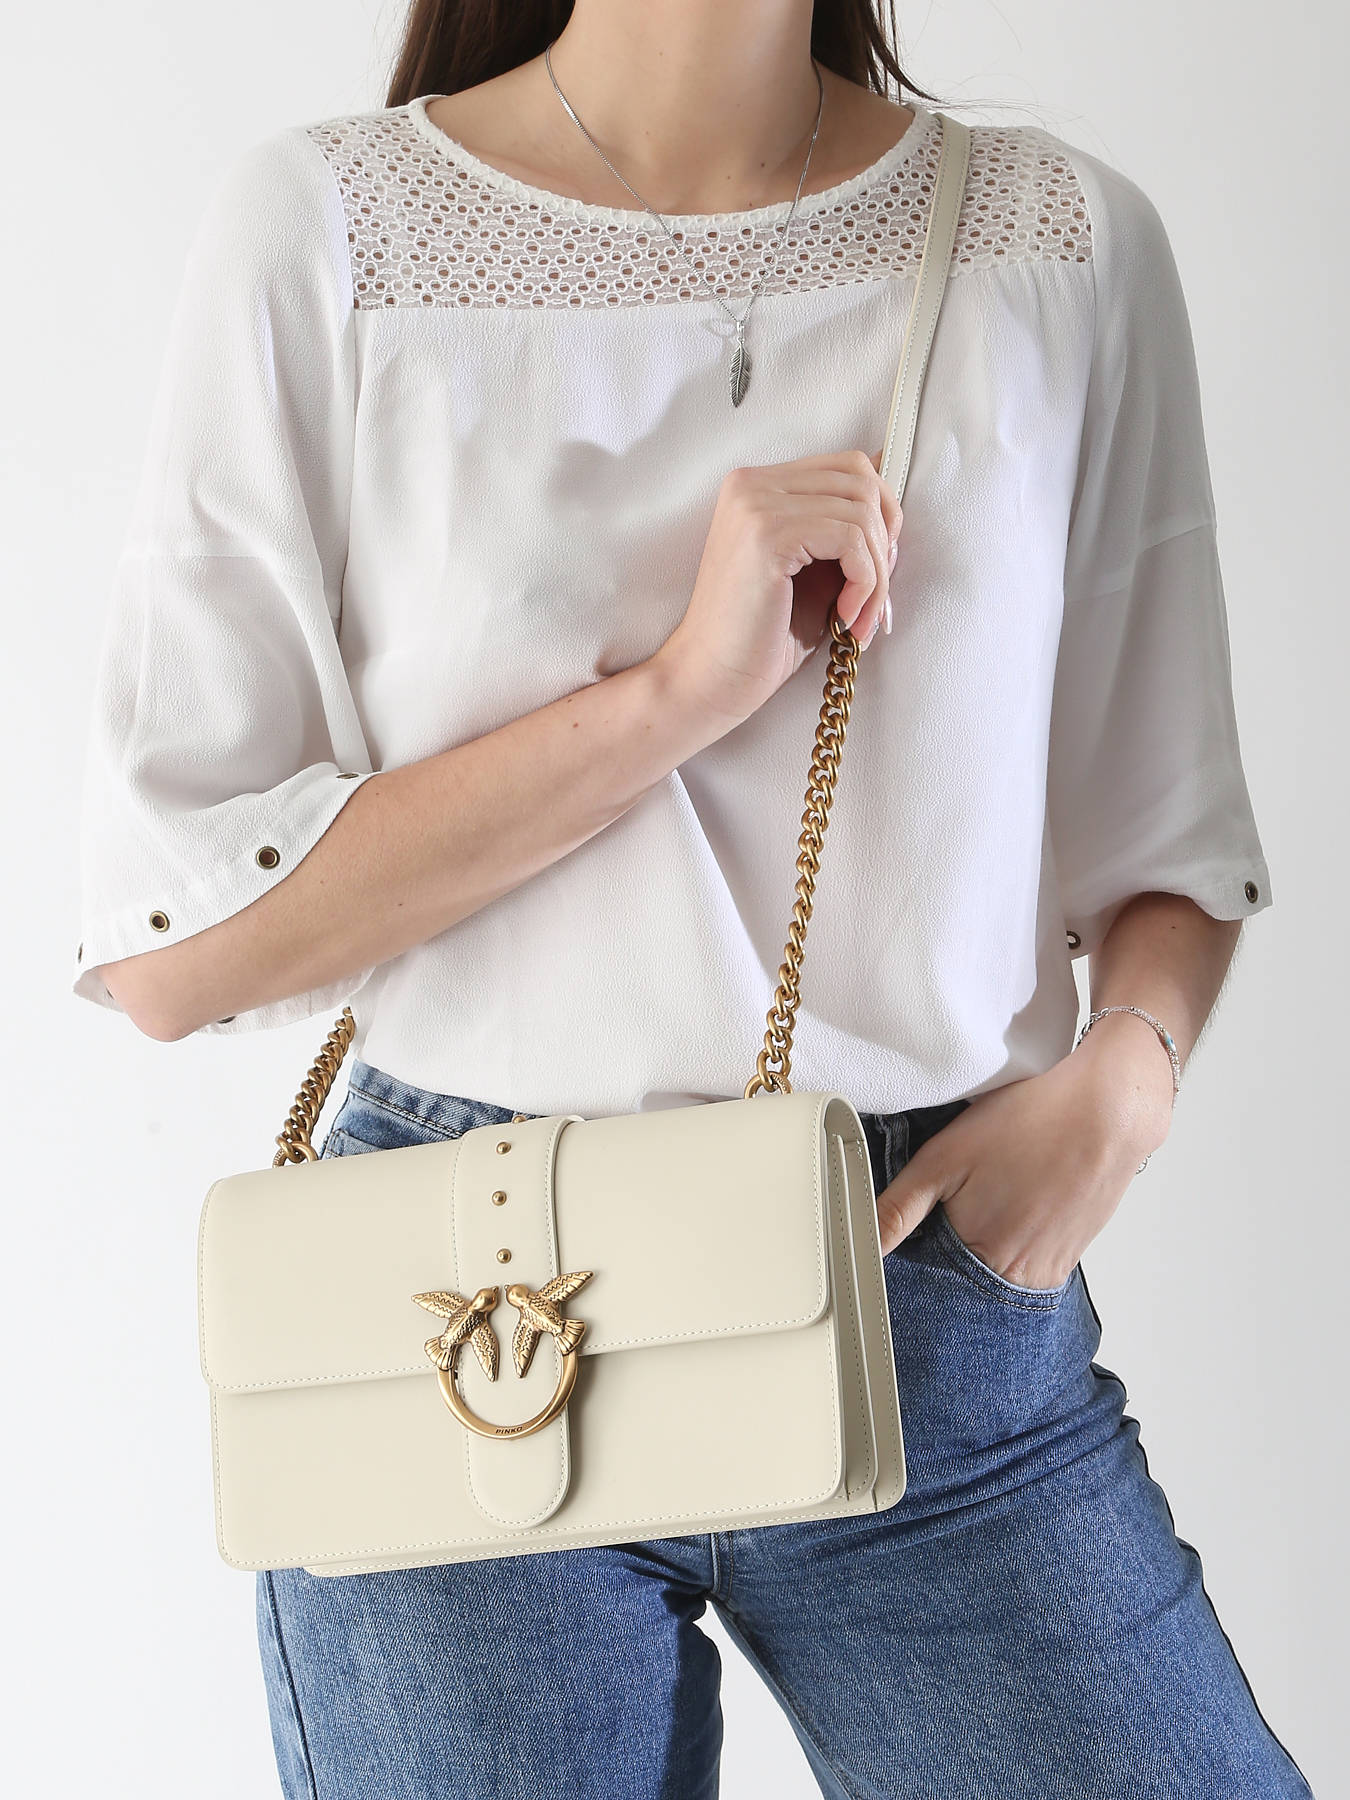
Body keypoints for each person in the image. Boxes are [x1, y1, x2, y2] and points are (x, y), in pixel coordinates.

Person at [71, 2, 1314, 1795]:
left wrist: (1125, 1079)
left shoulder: (1053, 238)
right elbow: (173, 950)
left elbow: (1170, 833)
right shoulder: (333, 228)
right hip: (470, 1308)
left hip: (924, 1282)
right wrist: (675, 697)